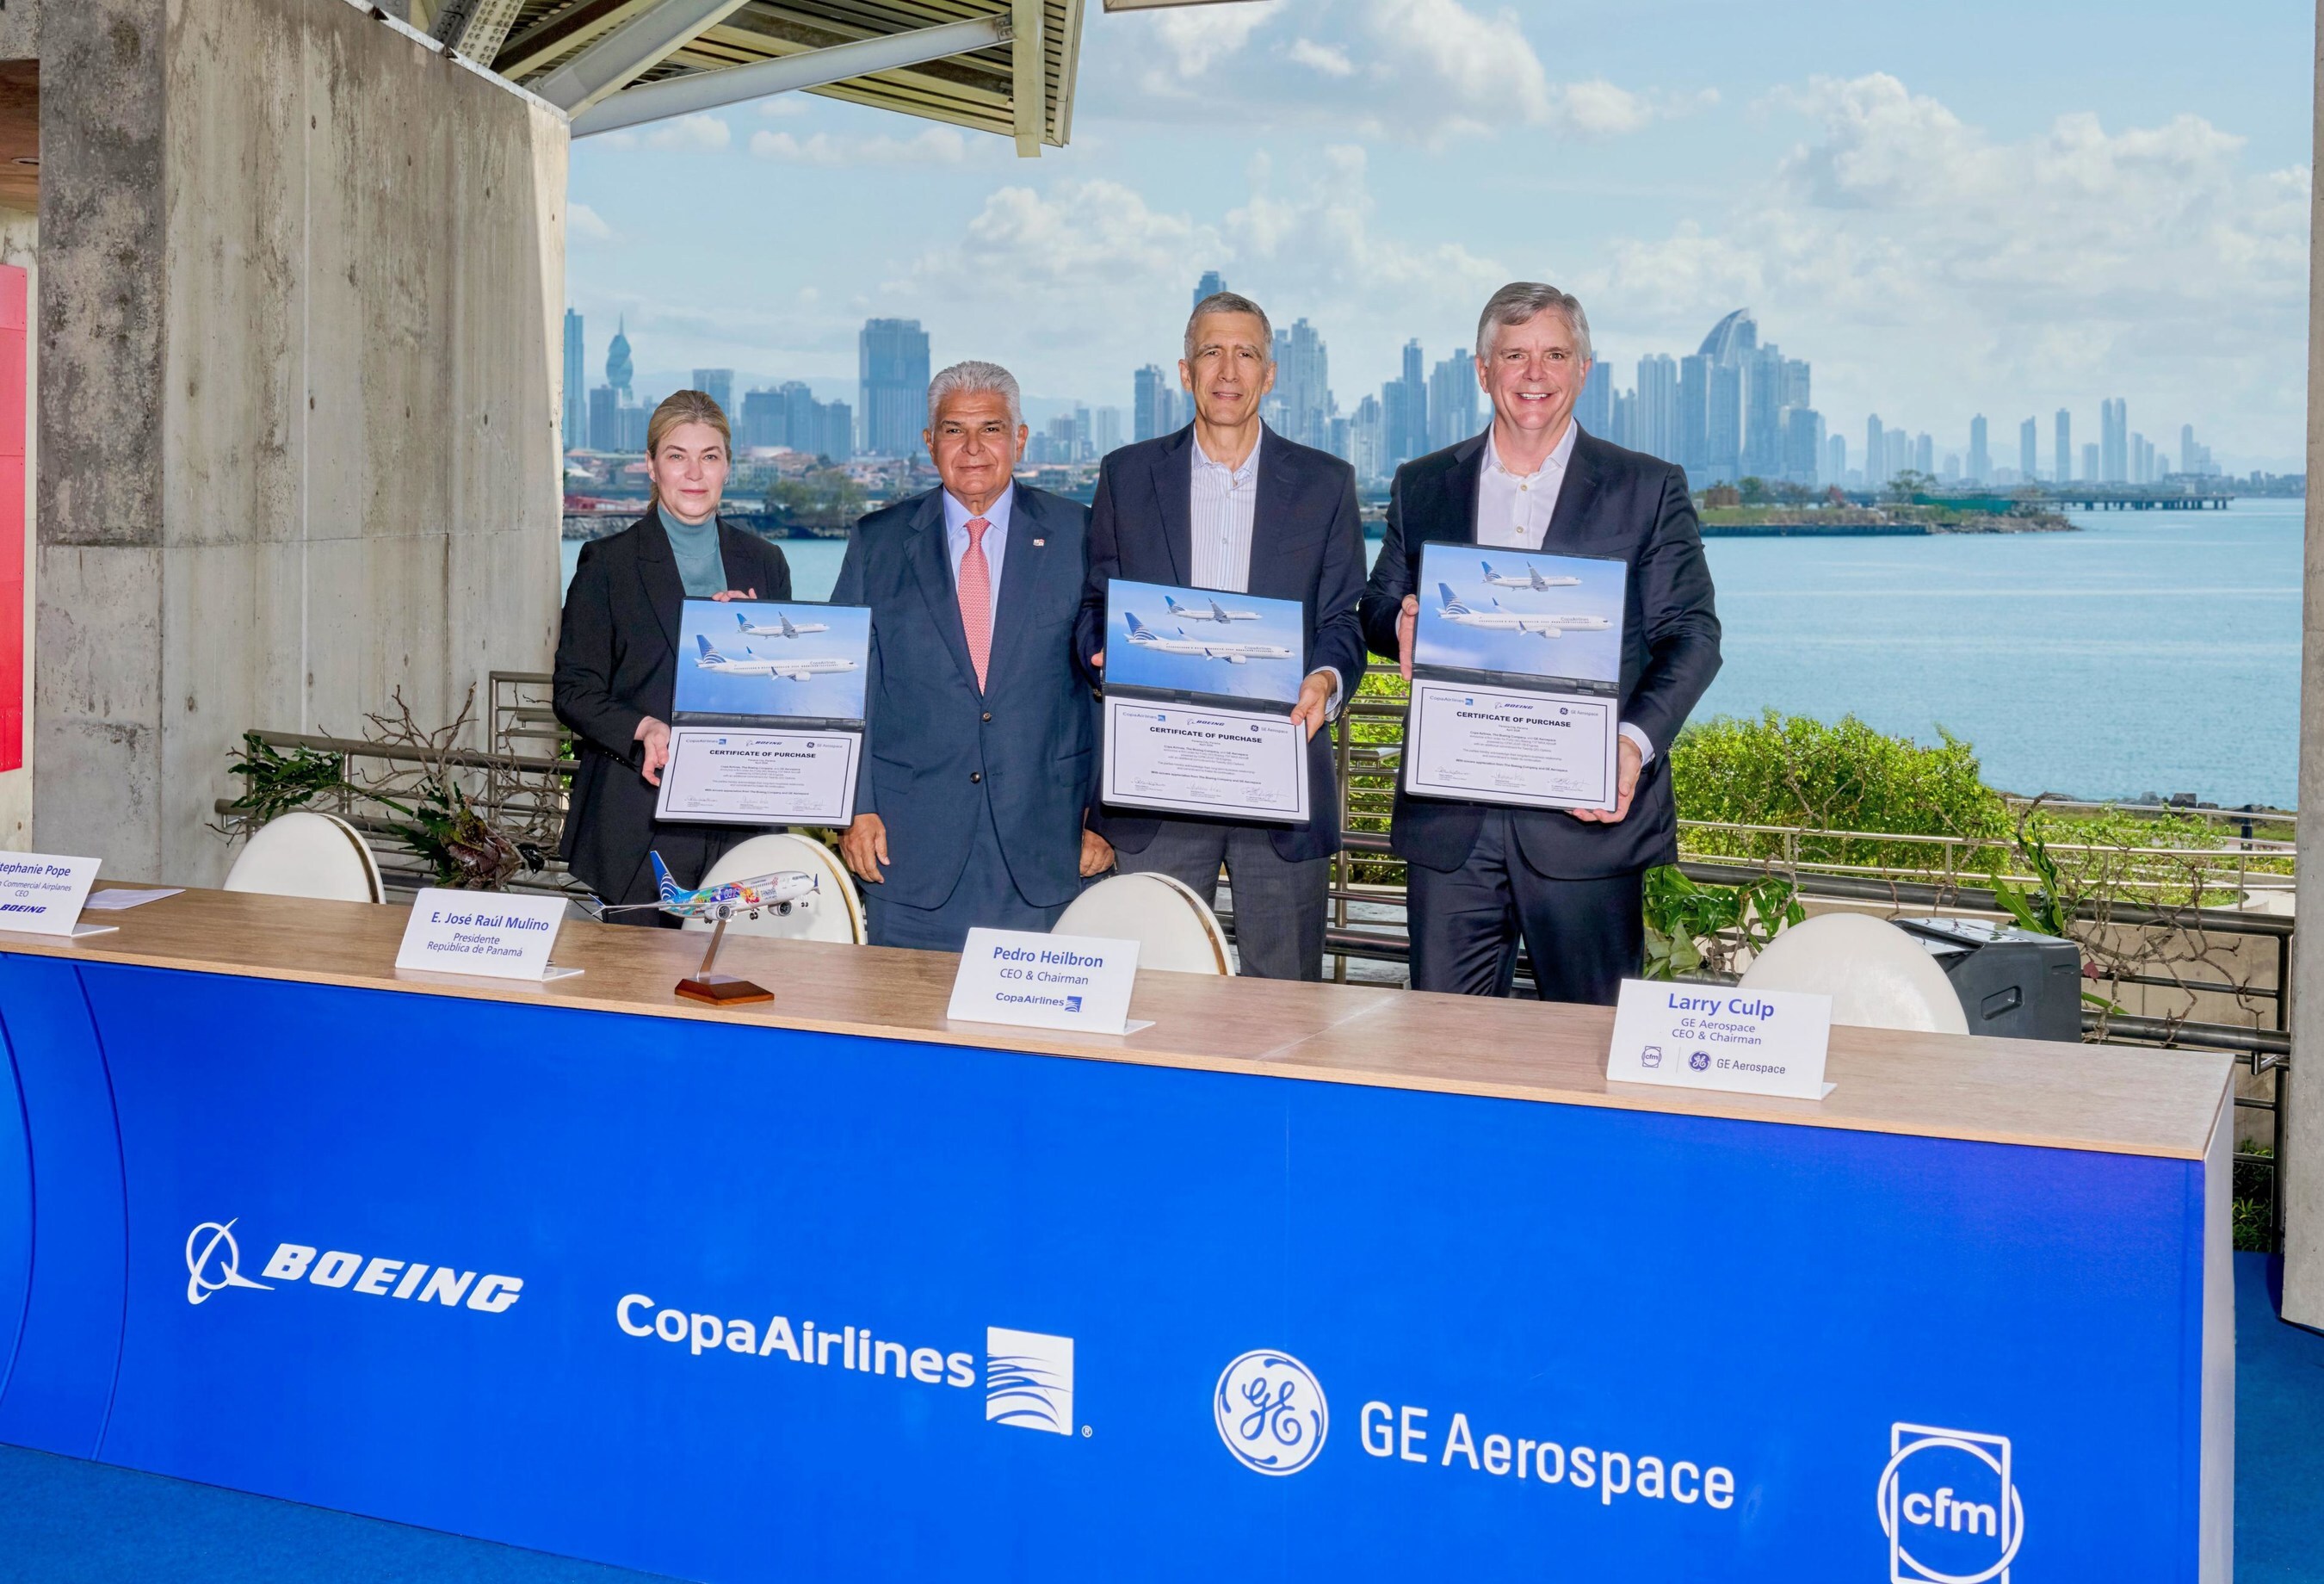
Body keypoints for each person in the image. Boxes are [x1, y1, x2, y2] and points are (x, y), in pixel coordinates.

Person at [1358, 282, 1722, 1004]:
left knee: (1590, 1047)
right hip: (1452, 826)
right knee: (1443, 1044)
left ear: (1583, 369)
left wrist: (1631, 744)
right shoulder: (1422, 484)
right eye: (1514, 355)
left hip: (1588, 825)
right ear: (1482, 369)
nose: (1535, 374)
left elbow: (1692, 635)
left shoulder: (1647, 487)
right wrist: (1397, 622)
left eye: (1555, 355)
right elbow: (1375, 605)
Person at [1074, 291, 1364, 981]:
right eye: (1211, 352)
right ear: (1185, 371)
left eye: (1246, 354)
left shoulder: (1326, 483)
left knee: (1284, 1005)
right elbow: (1094, 603)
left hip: (1280, 785)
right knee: (1151, 991)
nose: (1228, 370)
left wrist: (1326, 678)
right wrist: (1101, 651)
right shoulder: (1127, 475)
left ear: (1270, 374)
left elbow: (1343, 619)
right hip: (1159, 782)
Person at [831, 361, 1112, 950]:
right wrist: (856, 808)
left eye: (991, 428)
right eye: (954, 430)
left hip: (1050, 845)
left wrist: (1104, 816)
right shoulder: (878, 541)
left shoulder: (1080, 535)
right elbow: (846, 688)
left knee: (1039, 1014)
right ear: (930, 442)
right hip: (906, 849)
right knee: (904, 1009)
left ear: (1020, 439)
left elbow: (1107, 687)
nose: (974, 448)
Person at [553, 390, 793, 924]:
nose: (694, 473)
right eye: (677, 456)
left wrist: (759, 644)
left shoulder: (766, 563)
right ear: (651, 465)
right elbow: (573, 691)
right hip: (641, 822)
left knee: (742, 973)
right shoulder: (607, 564)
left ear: (727, 466)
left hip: (742, 821)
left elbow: (783, 698)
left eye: (709, 456)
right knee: (638, 975)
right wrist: (642, 727)